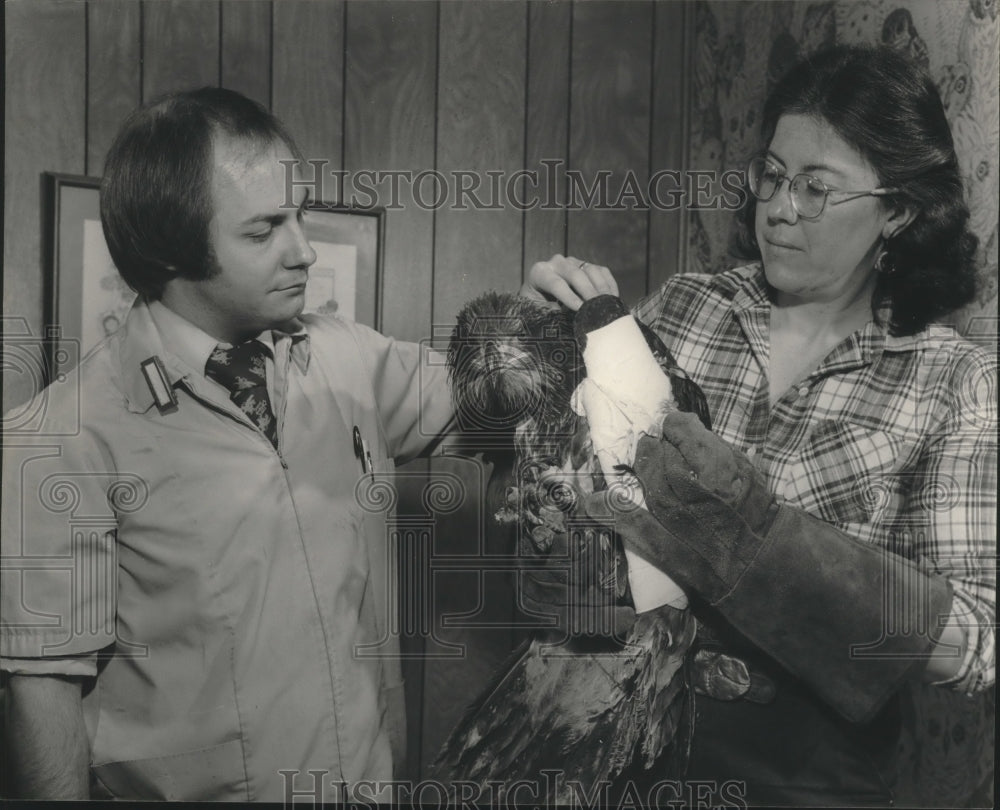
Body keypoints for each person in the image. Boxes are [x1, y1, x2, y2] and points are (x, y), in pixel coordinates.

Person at [0, 87, 600, 801]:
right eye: (263, 232)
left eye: (300, 215)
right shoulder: (59, 440)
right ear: (170, 253)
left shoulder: (348, 359)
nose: (304, 251)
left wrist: (540, 320)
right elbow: (44, 701)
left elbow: (494, 393)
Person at [524, 45, 995, 806]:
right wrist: (538, 350)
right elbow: (569, 477)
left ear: (899, 210)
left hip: (808, 778)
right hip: (619, 754)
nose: (779, 207)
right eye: (772, 176)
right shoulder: (686, 309)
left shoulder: (950, 381)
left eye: (816, 189)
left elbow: (977, 638)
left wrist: (764, 546)